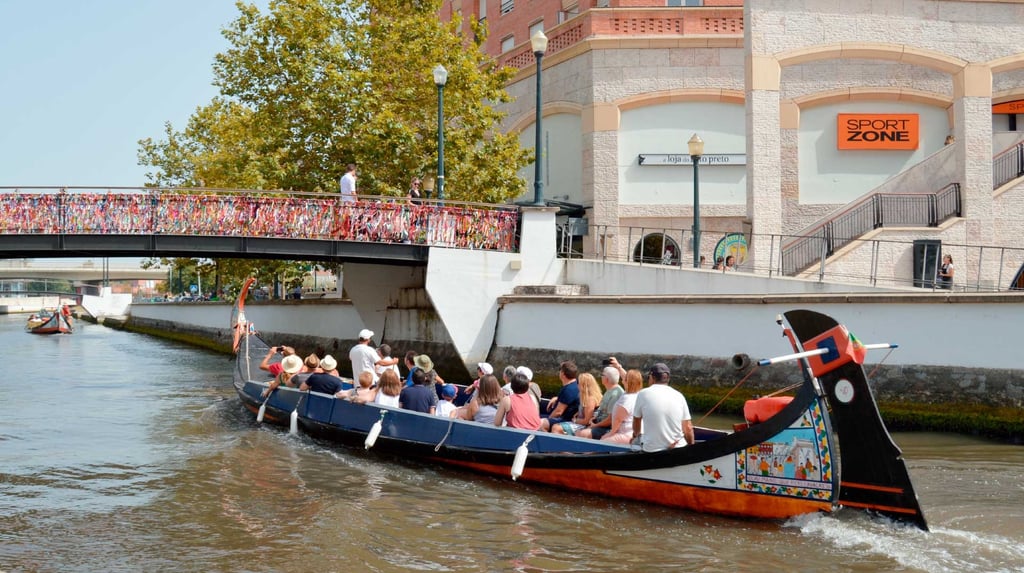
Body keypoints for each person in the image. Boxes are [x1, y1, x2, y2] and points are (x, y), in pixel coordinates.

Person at [632, 363, 694, 451]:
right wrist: (692, 448)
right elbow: (688, 427)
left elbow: (636, 421)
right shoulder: (679, 395)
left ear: (652, 377)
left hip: (652, 449)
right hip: (678, 448)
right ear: (668, 378)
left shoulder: (643, 394)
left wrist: (636, 436)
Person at [576, 366, 624, 439]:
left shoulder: (615, 394)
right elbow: (601, 410)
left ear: (607, 378)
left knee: (582, 433)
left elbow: (610, 419)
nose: (601, 377)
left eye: (602, 375)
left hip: (607, 427)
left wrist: (596, 425)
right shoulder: (609, 390)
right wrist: (594, 418)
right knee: (579, 432)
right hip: (599, 423)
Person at [601, 369, 644, 444]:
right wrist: (619, 367)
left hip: (626, 434)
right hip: (634, 433)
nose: (622, 380)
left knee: (602, 442)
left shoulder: (627, 400)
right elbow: (630, 377)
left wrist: (611, 433)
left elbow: (618, 419)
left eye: (624, 379)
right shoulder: (638, 394)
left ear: (628, 382)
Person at [539, 361, 581, 432]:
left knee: (538, 422)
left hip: (564, 419)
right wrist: (557, 398)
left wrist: (548, 419)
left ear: (563, 374)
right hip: (562, 416)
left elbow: (559, 412)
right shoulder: (574, 384)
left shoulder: (569, 389)